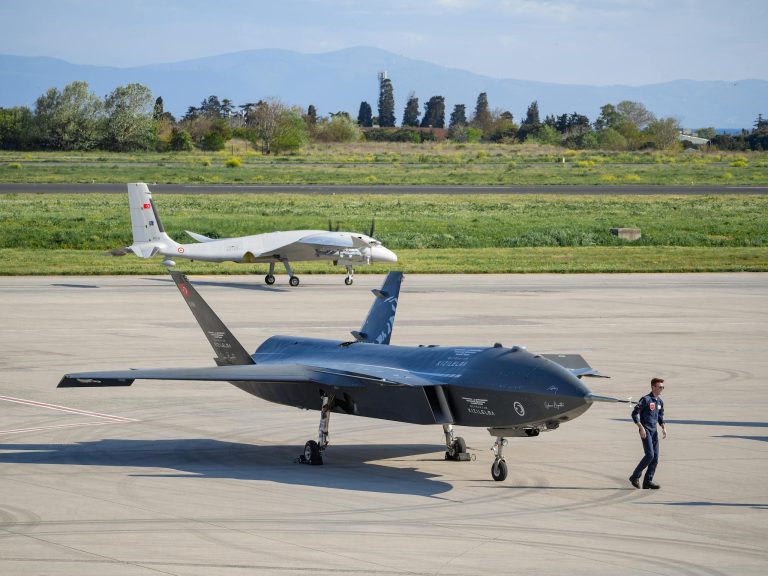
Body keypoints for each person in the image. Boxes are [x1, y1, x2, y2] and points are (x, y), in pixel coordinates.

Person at [629, 377, 667, 489]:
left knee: (655, 458)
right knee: (649, 455)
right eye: (660, 387)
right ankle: (635, 476)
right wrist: (640, 427)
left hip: (654, 432)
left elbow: (660, 416)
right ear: (653, 387)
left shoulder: (659, 402)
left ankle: (647, 481)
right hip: (646, 431)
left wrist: (663, 427)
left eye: (663, 387)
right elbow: (634, 414)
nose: (662, 389)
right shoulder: (646, 399)